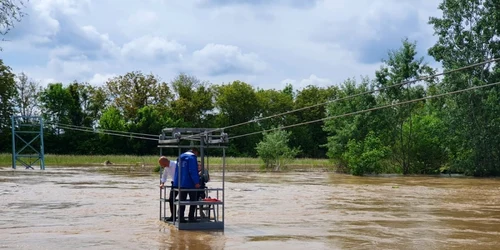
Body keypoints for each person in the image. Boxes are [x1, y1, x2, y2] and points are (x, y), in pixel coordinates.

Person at [172, 148, 200, 222]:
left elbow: (177, 171)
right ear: (195, 152)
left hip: (181, 184)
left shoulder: (180, 157)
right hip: (190, 184)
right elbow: (193, 170)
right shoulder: (192, 158)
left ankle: (181, 218)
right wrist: (196, 182)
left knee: (182, 201)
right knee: (193, 201)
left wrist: (176, 182)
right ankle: (191, 217)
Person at [159, 156, 177, 221]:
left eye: (161, 164)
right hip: (174, 184)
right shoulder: (166, 168)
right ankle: (173, 216)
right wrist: (162, 183)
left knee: (183, 200)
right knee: (171, 199)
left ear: (165, 162)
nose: (161, 166)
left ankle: (182, 216)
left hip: (183, 183)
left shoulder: (176, 164)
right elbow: (164, 176)